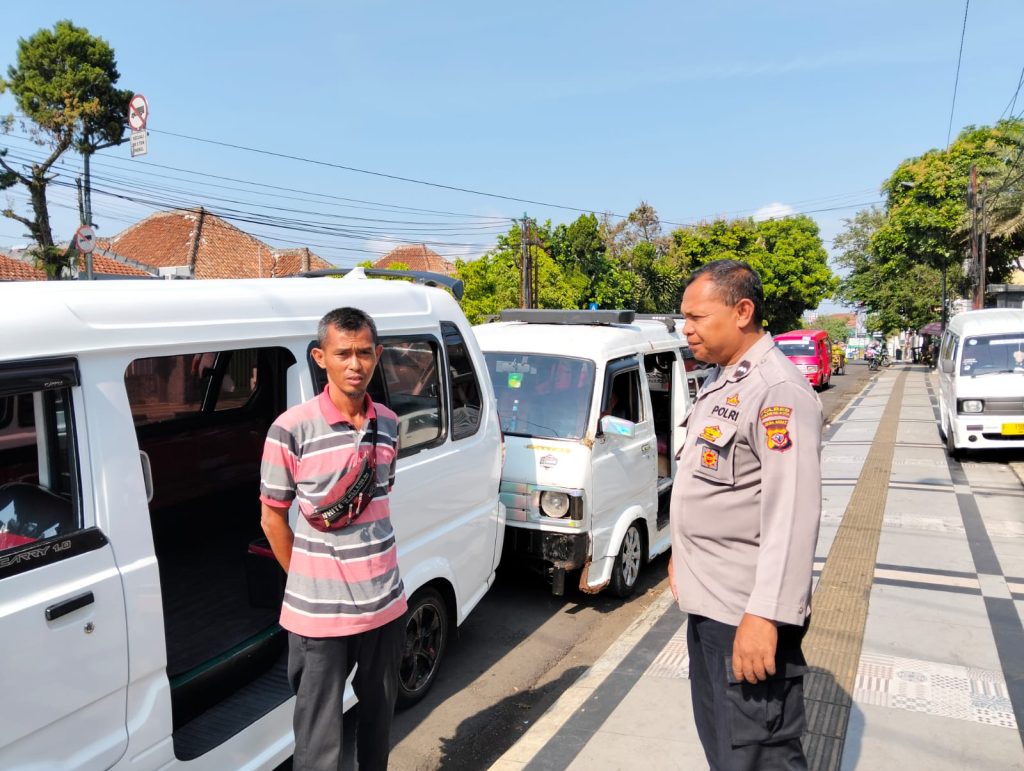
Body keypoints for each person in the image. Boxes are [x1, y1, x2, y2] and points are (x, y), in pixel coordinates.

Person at [668, 260, 822, 771]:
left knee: (758, 757)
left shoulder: (777, 390)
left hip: (746, 613)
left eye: (696, 316)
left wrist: (768, 615)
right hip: (711, 607)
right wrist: (681, 556)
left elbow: (792, 512)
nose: (685, 327)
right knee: (724, 751)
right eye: (683, 317)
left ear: (742, 311)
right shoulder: (724, 379)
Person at [259, 307, 406, 771]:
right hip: (319, 617)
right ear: (321, 357)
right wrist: (306, 578)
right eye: (343, 353)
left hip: (386, 605)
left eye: (364, 352)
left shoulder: (389, 423)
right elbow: (271, 520)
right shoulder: (290, 429)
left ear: (378, 355)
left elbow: (380, 500)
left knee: (378, 727)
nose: (355, 364)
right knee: (319, 743)